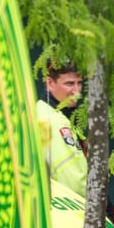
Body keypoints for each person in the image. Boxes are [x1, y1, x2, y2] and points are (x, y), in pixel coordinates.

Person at [37, 63, 87, 197]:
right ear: (50, 83)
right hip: (69, 209)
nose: (77, 91)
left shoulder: (60, 114)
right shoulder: (50, 119)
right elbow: (73, 181)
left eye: (79, 83)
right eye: (70, 84)